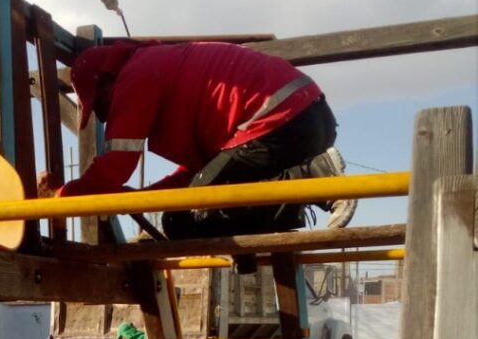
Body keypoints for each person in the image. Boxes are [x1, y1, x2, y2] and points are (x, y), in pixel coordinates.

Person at [58, 40, 357, 238]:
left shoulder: (136, 74)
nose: (106, 117)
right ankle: (304, 186)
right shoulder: (170, 72)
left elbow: (115, 166)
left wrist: (60, 198)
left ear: (106, 79)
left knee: (186, 218)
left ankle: (309, 177)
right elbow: (198, 175)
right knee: (186, 213)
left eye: (100, 105)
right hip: (307, 115)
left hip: (280, 118)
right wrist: (142, 198)